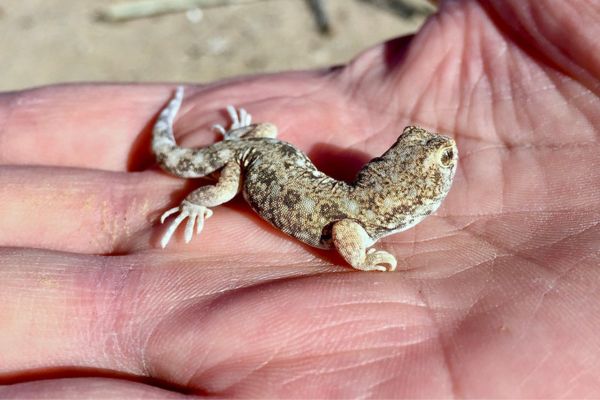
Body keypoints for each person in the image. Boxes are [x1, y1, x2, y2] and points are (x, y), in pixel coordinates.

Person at [1, 0, 598, 397]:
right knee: (221, 179)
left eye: (437, 158)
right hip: (244, 162)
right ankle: (201, 181)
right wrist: (204, 199)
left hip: (268, 149)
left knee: (262, 144)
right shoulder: (356, 224)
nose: (446, 152)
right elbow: (345, 237)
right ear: (415, 191)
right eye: (436, 156)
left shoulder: (363, 207)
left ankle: (220, 139)